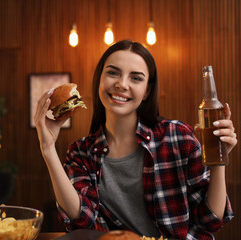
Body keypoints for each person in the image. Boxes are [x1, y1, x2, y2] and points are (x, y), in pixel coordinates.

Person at [33, 40, 237, 239]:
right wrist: (48, 149)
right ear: (100, 80)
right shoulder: (81, 151)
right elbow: (81, 221)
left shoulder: (178, 136)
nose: (122, 84)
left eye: (136, 78)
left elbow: (211, 220)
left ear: (147, 90)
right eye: (113, 73)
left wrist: (218, 160)